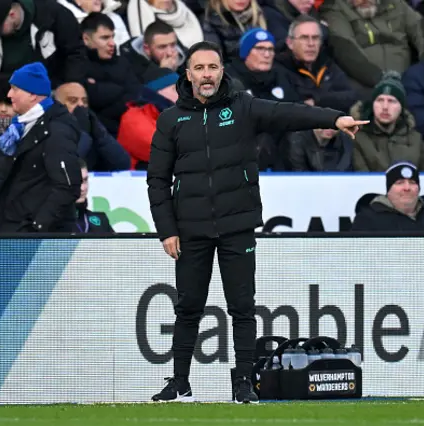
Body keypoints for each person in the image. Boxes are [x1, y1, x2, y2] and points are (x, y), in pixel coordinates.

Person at [147, 41, 368, 404]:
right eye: (199, 68)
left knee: (242, 307)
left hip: (237, 225)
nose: (207, 74)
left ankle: (243, 384)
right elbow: (157, 179)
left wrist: (333, 118)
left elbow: (289, 113)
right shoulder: (171, 119)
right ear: (187, 74)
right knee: (188, 307)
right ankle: (179, 382)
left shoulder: (244, 107)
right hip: (190, 229)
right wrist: (167, 229)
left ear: (222, 71)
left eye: (213, 67)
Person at [0, 62, 82, 232]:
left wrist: (37, 226)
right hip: (13, 226)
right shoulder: (23, 127)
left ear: (32, 95)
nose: (9, 94)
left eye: (15, 89)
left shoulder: (56, 130)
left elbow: (68, 186)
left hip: (34, 236)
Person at [351, 162, 424, 231]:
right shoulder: (367, 220)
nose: (407, 188)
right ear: (389, 190)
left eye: (412, 182)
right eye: (399, 183)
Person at [74, 158, 114, 233]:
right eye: (77, 182)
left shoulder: (101, 221)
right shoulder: (51, 223)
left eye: (85, 180)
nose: (83, 188)